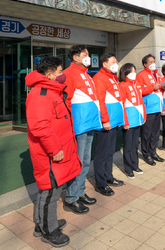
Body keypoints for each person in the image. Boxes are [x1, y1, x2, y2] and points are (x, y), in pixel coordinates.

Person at [26, 56, 82, 247]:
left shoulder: (51, 92)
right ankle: (48, 231)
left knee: (50, 191)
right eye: (59, 71)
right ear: (49, 75)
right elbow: (40, 126)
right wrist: (55, 148)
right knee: (49, 192)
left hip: (57, 152)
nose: (62, 75)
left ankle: (42, 223)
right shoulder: (40, 94)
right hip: (50, 154)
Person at [62, 45, 100, 214]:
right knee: (77, 162)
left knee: (85, 161)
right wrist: (69, 123)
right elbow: (65, 101)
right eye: (85, 55)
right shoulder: (69, 73)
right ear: (75, 57)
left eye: (89, 54)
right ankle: (71, 198)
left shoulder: (85, 74)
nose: (88, 57)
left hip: (89, 123)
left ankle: (80, 191)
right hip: (78, 126)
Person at [92, 53, 125, 196]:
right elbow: (100, 101)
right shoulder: (99, 78)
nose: (115, 64)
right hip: (107, 123)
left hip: (114, 121)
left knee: (110, 152)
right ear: (104, 64)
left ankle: (108, 176)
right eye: (112, 61)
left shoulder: (113, 78)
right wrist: (105, 120)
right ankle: (101, 183)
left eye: (116, 61)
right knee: (102, 154)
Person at [118, 63, 146, 179]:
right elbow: (122, 105)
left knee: (135, 145)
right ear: (125, 73)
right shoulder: (122, 85)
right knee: (128, 146)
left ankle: (135, 165)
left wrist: (144, 115)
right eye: (131, 71)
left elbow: (141, 102)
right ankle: (128, 168)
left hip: (138, 119)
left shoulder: (137, 85)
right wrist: (125, 122)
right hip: (129, 121)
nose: (134, 73)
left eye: (135, 70)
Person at [136, 54, 164, 168]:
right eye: (150, 62)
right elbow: (140, 91)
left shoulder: (157, 74)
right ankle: (146, 154)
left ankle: (153, 152)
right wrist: (153, 87)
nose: (153, 63)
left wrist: (163, 87)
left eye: (154, 61)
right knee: (146, 133)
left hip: (158, 108)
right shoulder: (141, 75)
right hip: (148, 108)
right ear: (145, 64)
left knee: (155, 133)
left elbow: (160, 90)